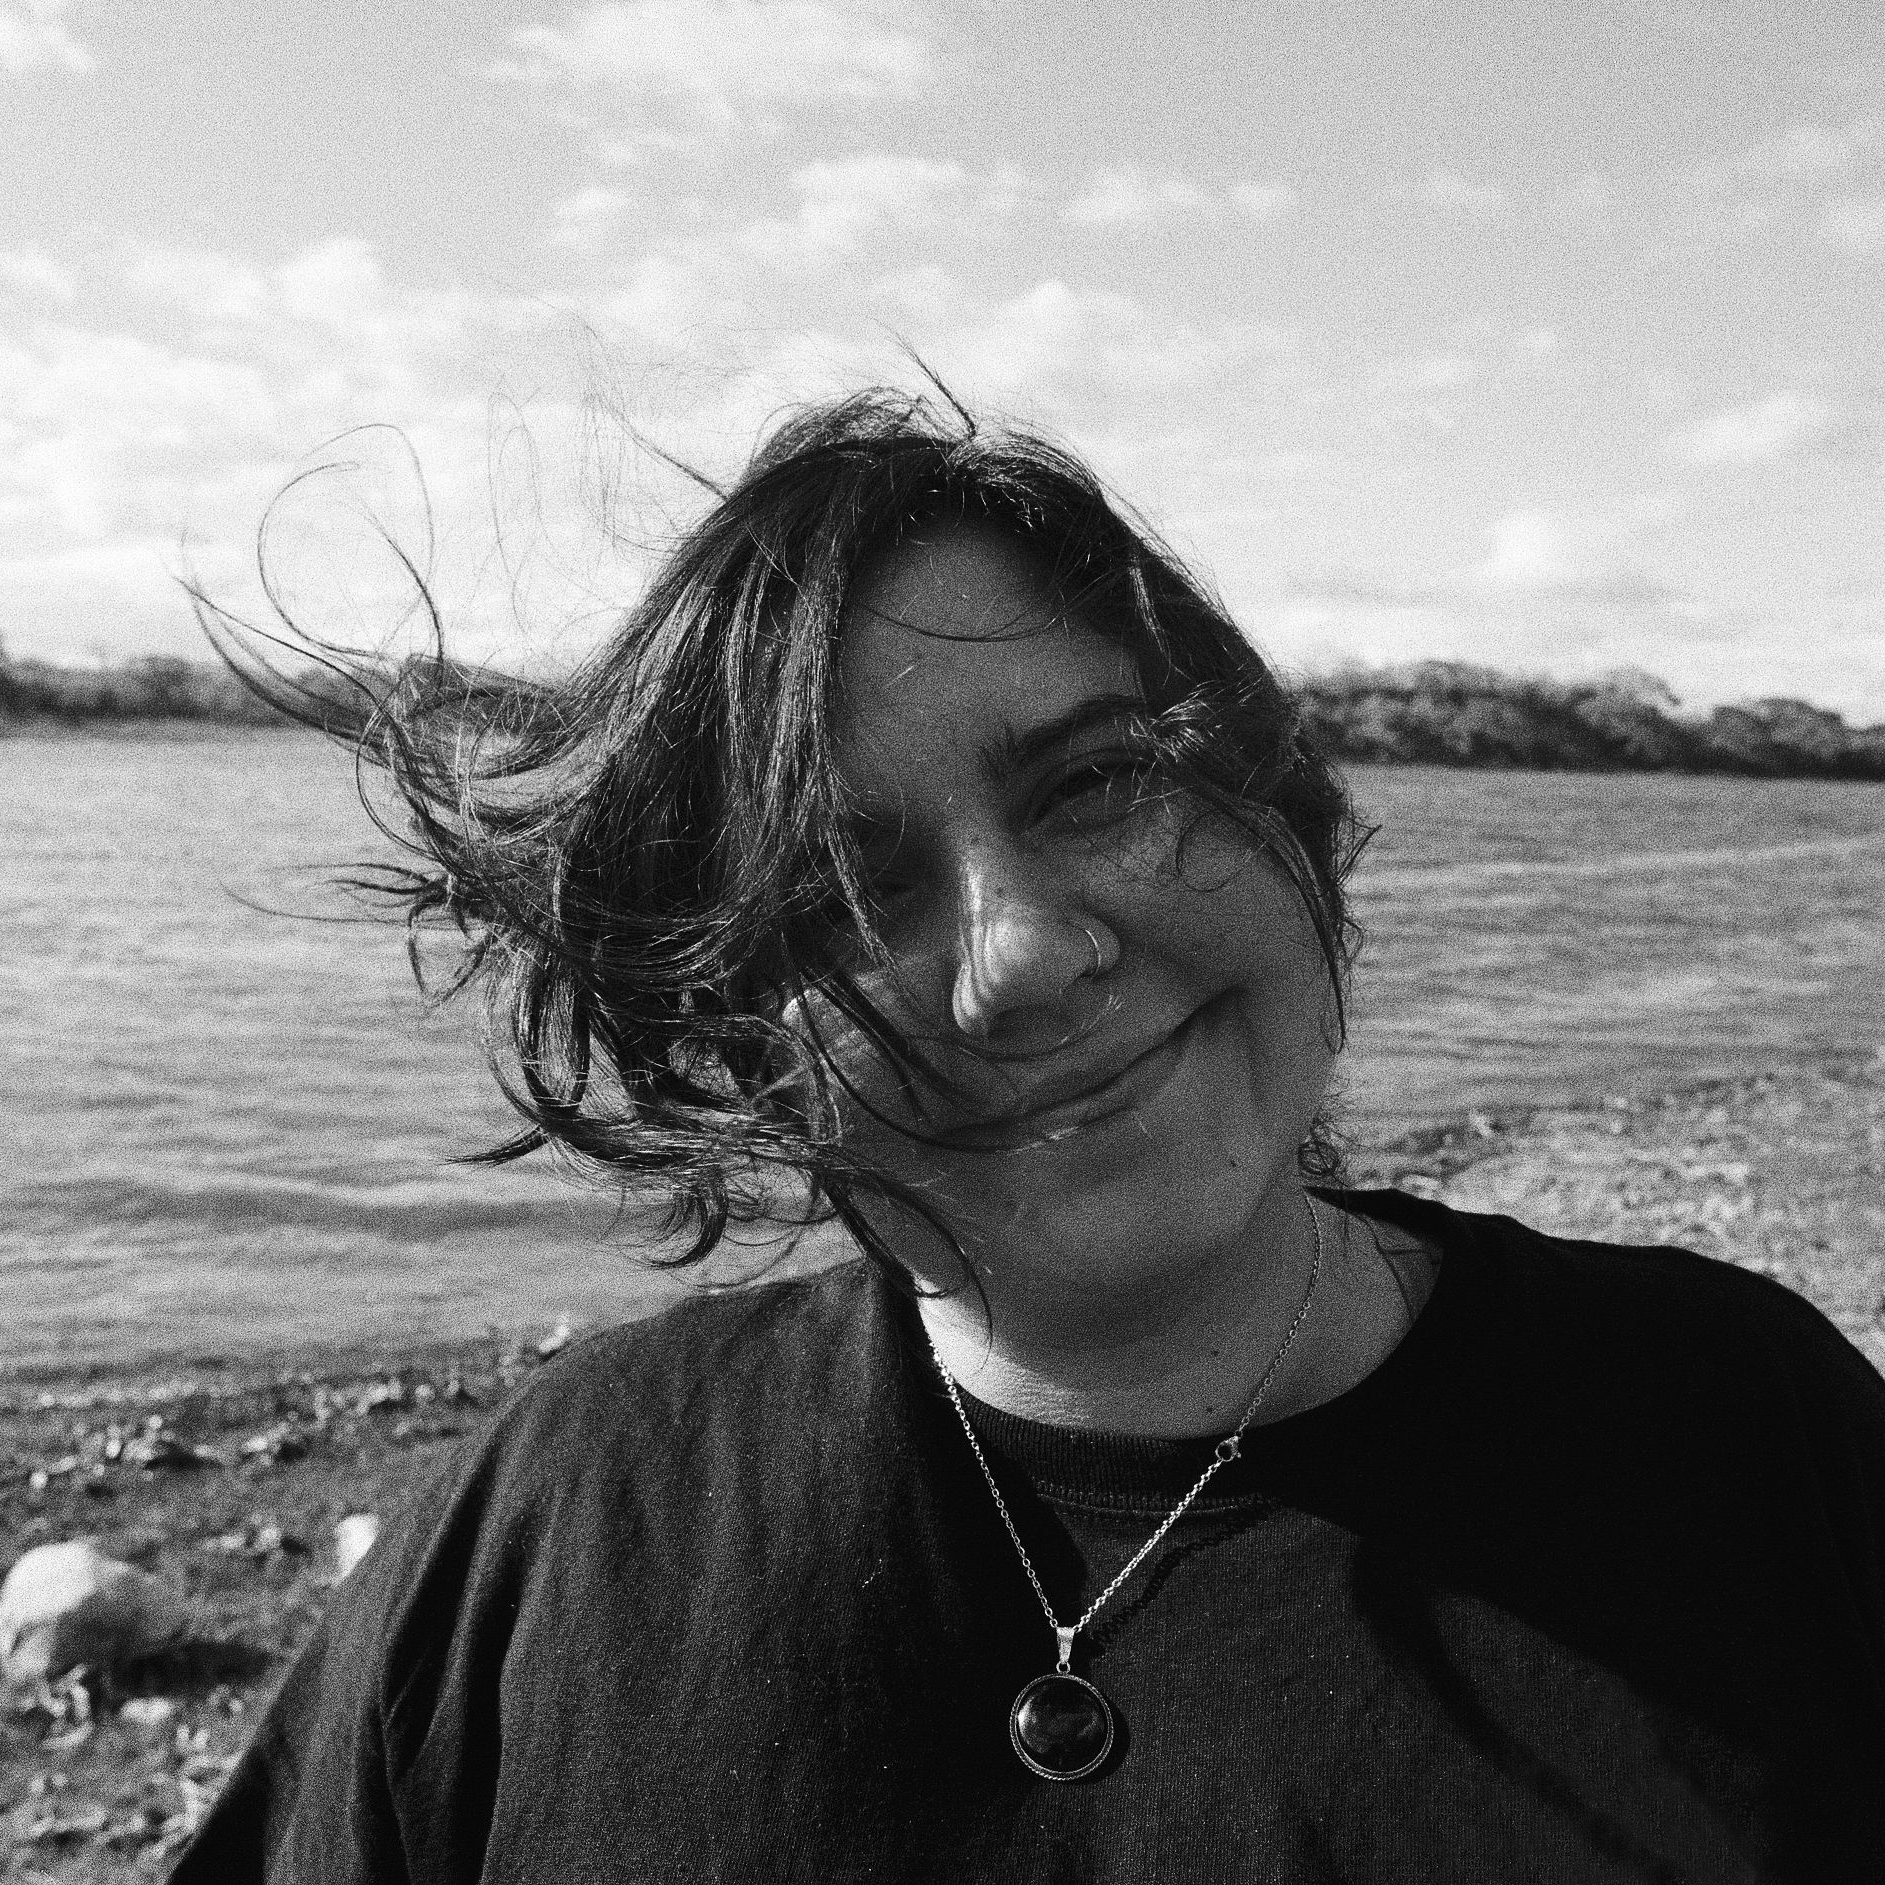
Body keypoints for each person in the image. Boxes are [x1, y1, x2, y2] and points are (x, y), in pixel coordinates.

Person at [175, 389, 1885, 1883]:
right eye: (845, 891)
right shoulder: (556, 1527)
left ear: (1270, 792)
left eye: (1093, 781)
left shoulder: (1743, 1435)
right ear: (733, 1028)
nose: (1021, 957)